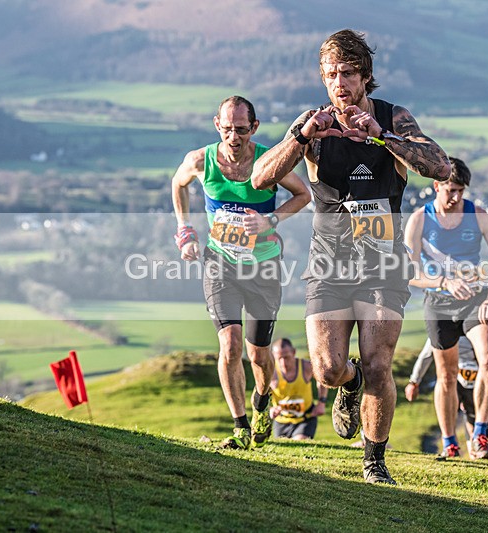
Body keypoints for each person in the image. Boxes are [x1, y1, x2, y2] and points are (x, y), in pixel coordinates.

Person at [251, 29, 451, 485]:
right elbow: (262, 178)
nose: (338, 83)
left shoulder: (392, 117)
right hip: (329, 264)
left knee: (380, 362)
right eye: (330, 75)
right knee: (327, 369)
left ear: (365, 77)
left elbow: (439, 166)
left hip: (384, 263)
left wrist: (381, 138)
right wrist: (302, 137)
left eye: (347, 73)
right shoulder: (313, 124)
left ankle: (374, 461)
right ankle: (350, 382)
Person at [172, 95, 311, 450]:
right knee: (230, 344)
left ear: (254, 127)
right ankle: (239, 427)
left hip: (263, 267)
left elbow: (303, 194)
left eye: (242, 130)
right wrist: (185, 231)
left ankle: (262, 404)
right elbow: (178, 185)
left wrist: (271, 220)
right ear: (217, 125)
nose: (234, 137)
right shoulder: (200, 161)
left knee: (258, 355)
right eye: (228, 129)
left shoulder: (269, 160)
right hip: (220, 264)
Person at [404, 156, 488, 460]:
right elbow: (409, 273)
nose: (455, 197)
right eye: (450, 190)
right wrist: (443, 282)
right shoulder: (419, 220)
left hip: (476, 299)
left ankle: (479, 433)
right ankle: (449, 441)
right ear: (436, 185)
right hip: (439, 303)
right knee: (447, 375)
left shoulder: (478, 216)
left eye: (460, 191)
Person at [405, 338, 488, 461]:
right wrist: (414, 381)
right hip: (471, 412)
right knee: (474, 454)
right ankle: (451, 446)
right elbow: (427, 353)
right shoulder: (451, 345)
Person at [269, 338, 328, 440]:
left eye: (286, 357)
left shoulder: (306, 367)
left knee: (300, 441)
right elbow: (258, 394)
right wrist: (270, 409)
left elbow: (322, 379)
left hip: (305, 418)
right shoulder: (270, 373)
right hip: (281, 420)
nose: (283, 363)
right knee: (284, 450)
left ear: (294, 352)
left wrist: (321, 403)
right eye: (279, 358)